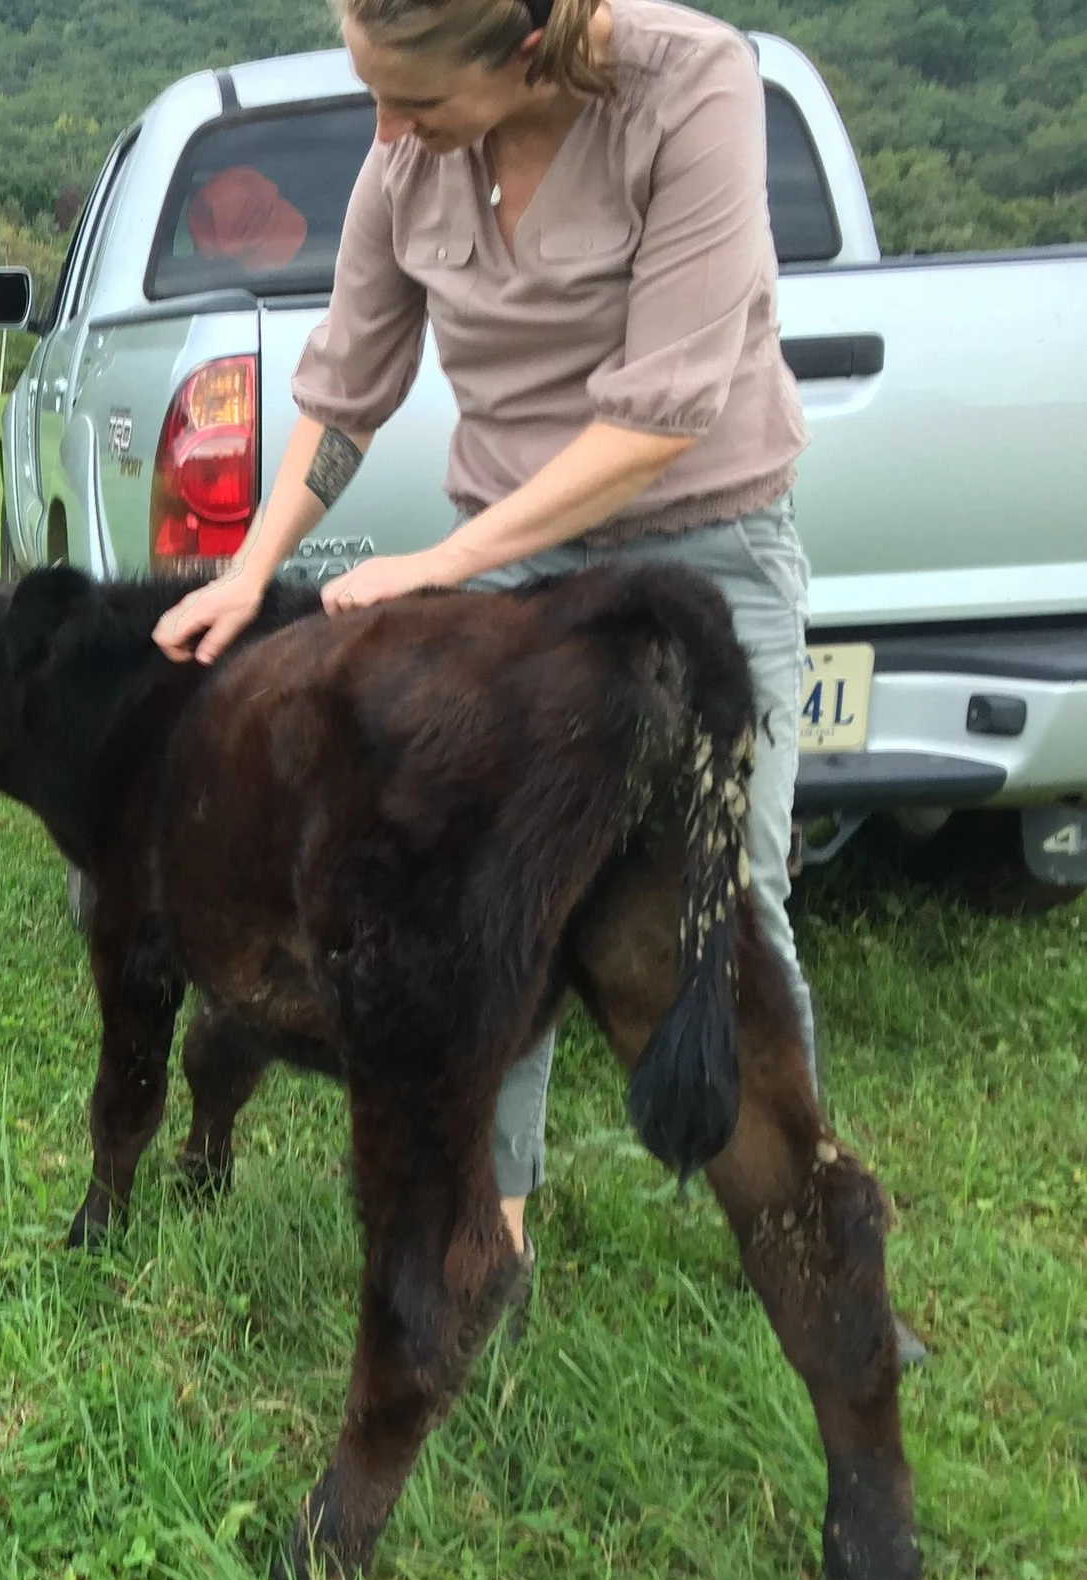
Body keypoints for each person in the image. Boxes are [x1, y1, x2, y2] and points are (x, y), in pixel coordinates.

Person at [152, 0, 824, 1272]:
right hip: (512, 562)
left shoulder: (691, 90)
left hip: (703, 542)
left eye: (411, 102)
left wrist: (453, 561)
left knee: (723, 906)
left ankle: (802, 1239)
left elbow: (665, 409)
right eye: (375, 97)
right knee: (484, 907)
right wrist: (249, 571)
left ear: (520, 53)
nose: (385, 131)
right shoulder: (405, 155)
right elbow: (346, 388)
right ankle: (484, 1243)